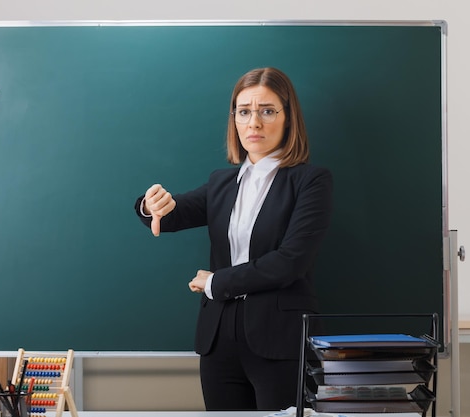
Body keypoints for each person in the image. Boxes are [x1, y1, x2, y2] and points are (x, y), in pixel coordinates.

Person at [134, 67, 333, 411]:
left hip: (279, 339)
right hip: (218, 340)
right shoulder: (222, 183)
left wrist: (217, 283)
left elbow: (291, 262)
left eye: (267, 111)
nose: (254, 122)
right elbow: (172, 214)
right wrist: (149, 205)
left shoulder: (311, 181)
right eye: (244, 112)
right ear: (235, 120)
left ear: (288, 118)